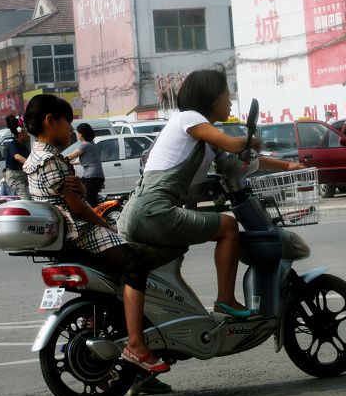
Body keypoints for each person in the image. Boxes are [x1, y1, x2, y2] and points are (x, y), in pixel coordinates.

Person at [118, 64, 305, 318]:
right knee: (228, 228)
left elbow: (238, 160)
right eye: (227, 95)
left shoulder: (204, 138)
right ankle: (225, 300)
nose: (230, 101)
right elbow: (234, 144)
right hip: (153, 210)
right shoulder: (190, 118)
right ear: (210, 98)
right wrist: (250, 140)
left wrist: (287, 165)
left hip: (142, 211)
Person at [22, 94, 170, 375]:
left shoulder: (35, 158)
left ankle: (134, 376)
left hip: (62, 240)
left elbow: (76, 196)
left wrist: (82, 190)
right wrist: (106, 225)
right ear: (50, 121)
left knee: (111, 290)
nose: (71, 130)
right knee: (135, 268)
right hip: (79, 235)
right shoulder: (52, 160)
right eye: (68, 122)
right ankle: (136, 345)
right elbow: (78, 209)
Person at [65, 123, 105, 206]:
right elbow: (90, 160)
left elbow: (72, 156)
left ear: (81, 134)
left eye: (77, 132)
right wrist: (72, 163)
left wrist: (60, 160)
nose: (76, 134)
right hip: (98, 176)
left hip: (91, 176)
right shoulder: (93, 145)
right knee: (90, 198)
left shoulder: (85, 145)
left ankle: (93, 216)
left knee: (88, 199)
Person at [4, 115, 32, 200]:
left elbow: (30, 157)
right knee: (26, 198)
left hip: (23, 174)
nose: (28, 135)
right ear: (21, 134)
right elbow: (17, 156)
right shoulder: (13, 144)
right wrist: (30, 163)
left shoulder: (23, 147)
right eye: (26, 133)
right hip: (14, 176)